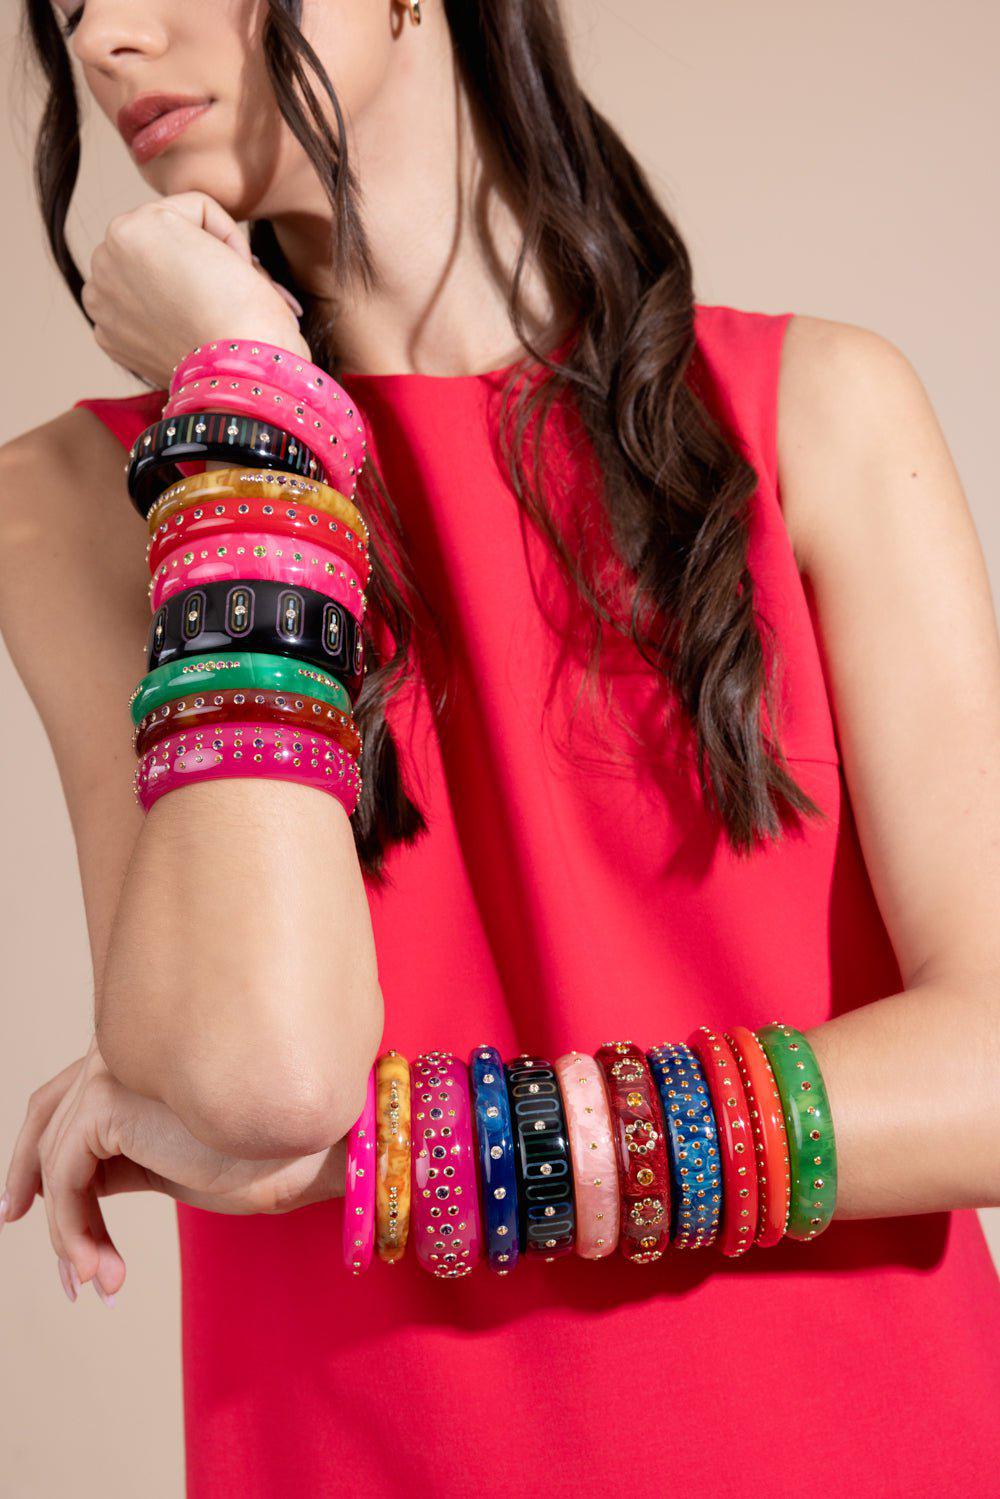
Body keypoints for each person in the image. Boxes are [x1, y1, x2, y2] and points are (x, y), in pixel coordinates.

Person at [1, 0, 998, 1494]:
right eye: (68, 7)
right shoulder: (75, 498)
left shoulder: (821, 413)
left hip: (865, 1444)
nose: (105, 40)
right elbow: (254, 1078)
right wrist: (247, 405)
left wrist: (434, 1157)